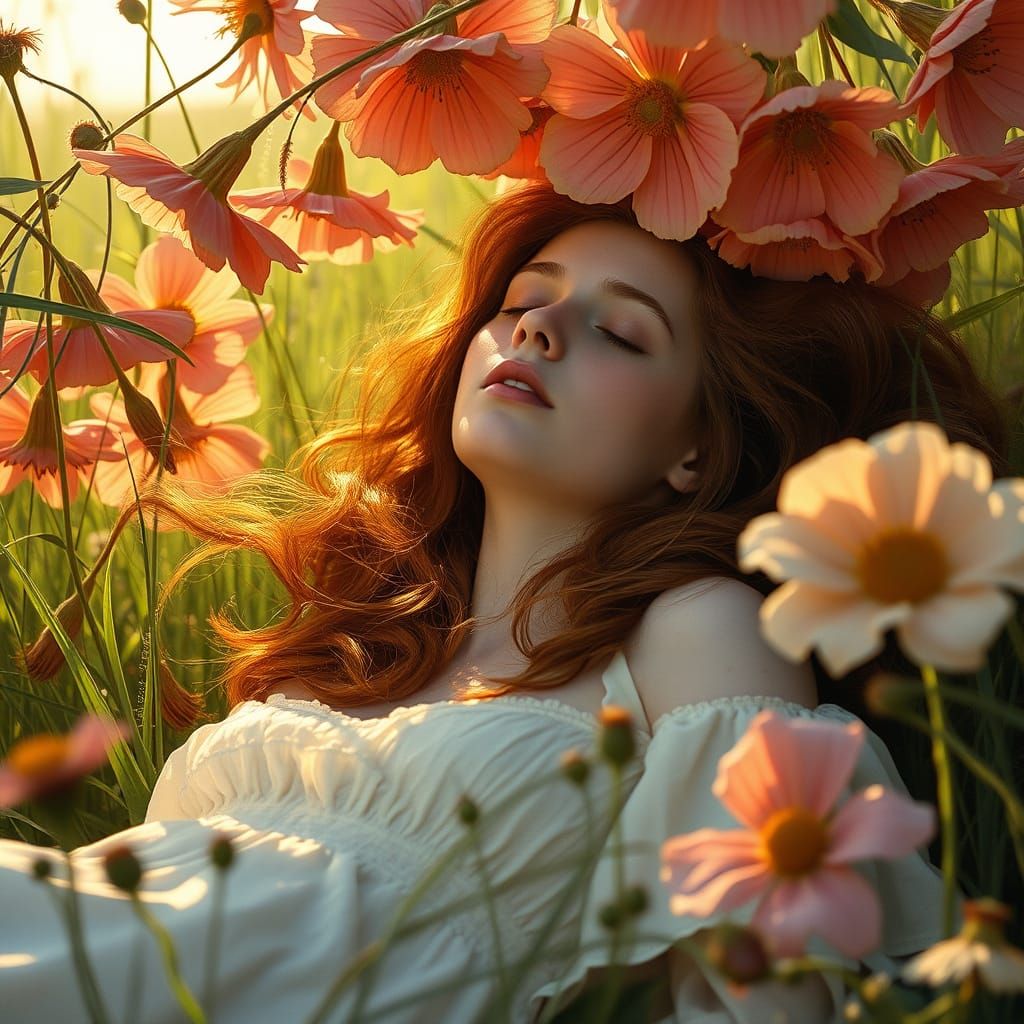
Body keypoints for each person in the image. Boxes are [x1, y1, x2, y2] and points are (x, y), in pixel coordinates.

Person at [0, 180, 1008, 1023]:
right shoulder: (368, 640)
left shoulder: (694, 626)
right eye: (523, 299)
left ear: (698, 446)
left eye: (618, 329)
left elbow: (770, 991)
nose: (536, 325)